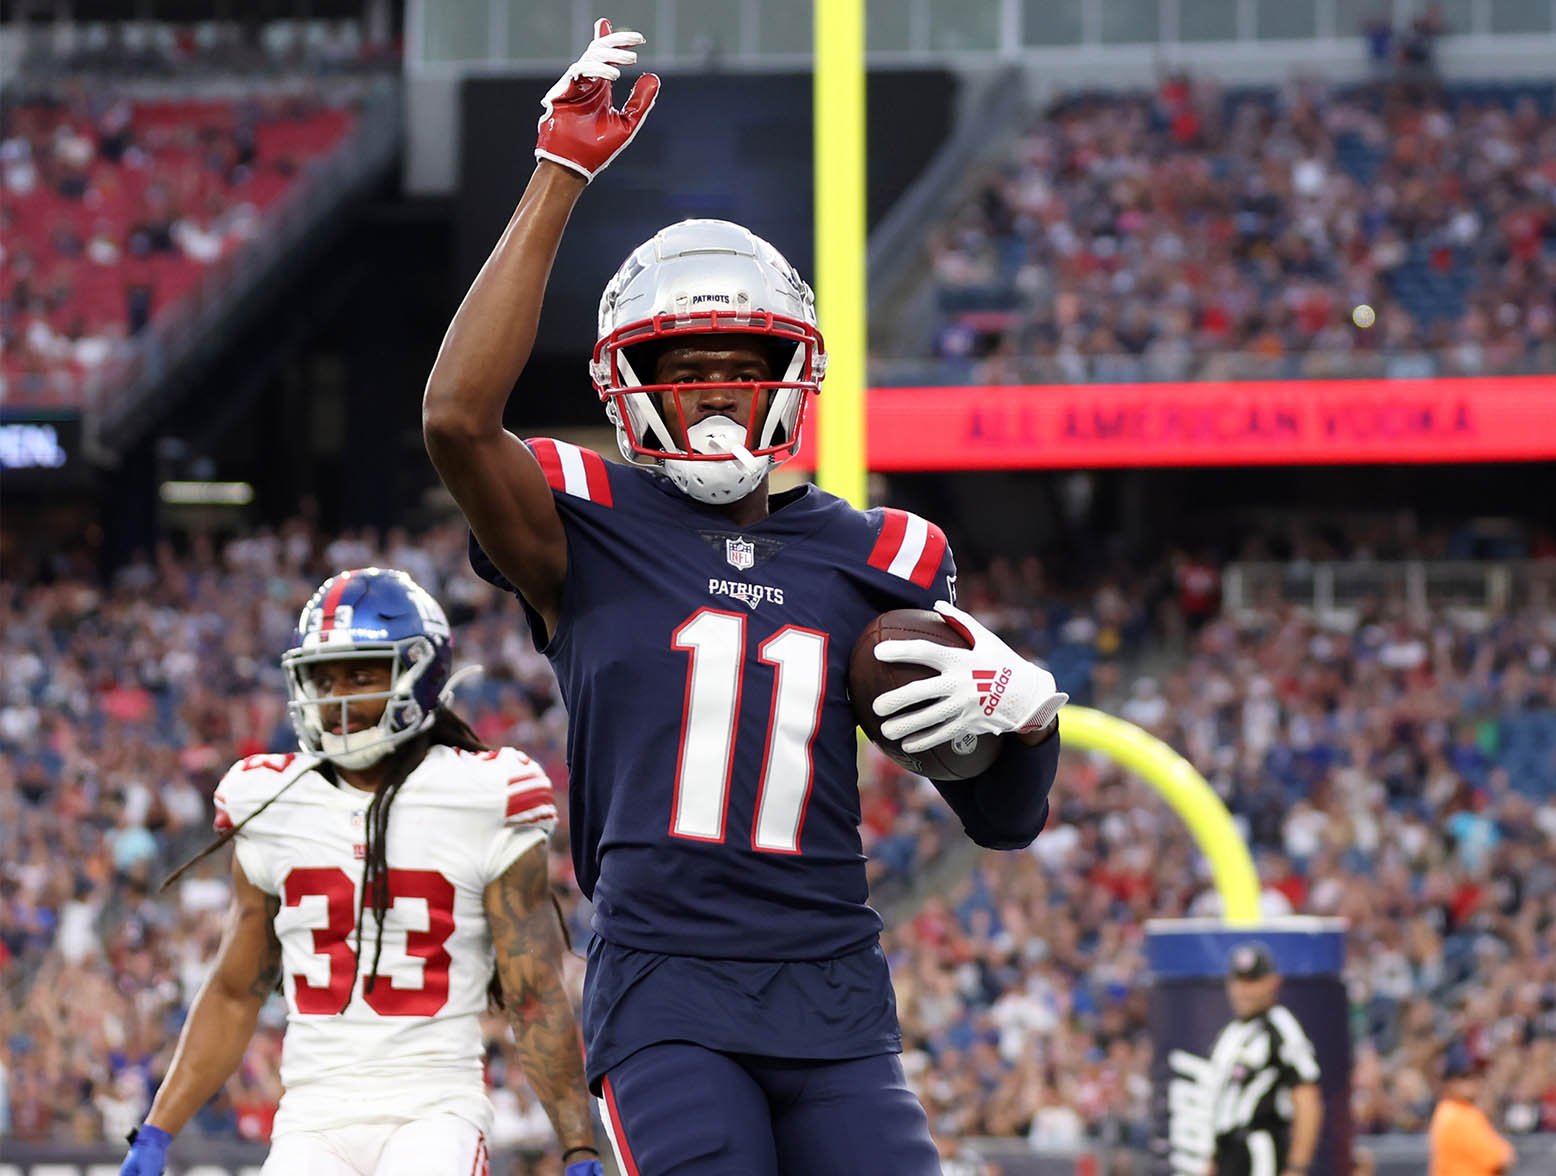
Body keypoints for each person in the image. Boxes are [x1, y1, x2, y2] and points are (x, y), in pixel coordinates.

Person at [422, 18, 1067, 1176]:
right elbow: (455, 420)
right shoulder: (584, 524)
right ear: (626, 386)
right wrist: (558, 174)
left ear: (793, 375)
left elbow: (1003, 820)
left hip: (834, 996)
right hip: (666, 989)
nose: (716, 392)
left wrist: (1028, 717)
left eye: (742, 366)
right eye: (683, 368)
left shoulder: (884, 556)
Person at [118, 568, 603, 1176]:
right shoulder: (272, 800)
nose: (337, 695)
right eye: (323, 676)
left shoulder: (483, 793)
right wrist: (157, 1130)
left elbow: (532, 996)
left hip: (435, 1111)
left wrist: (578, 1146)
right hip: (312, 1118)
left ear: (419, 674)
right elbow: (236, 989)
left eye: (361, 673)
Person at [1204, 943, 1323, 1176]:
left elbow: (1307, 1096)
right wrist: (1213, 1158)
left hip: (1259, 1149)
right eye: (1239, 981)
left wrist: (1297, 1166)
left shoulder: (1280, 1026)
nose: (1244, 990)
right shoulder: (1231, 1033)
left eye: (1253, 981)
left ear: (1272, 982)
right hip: (1228, 1151)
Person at [1427, 1045, 1514, 1176]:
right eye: (1466, 1076)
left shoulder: (1451, 1110)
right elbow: (1502, 1159)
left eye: (1478, 1074)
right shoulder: (1459, 1115)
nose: (1475, 1081)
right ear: (1450, 1081)